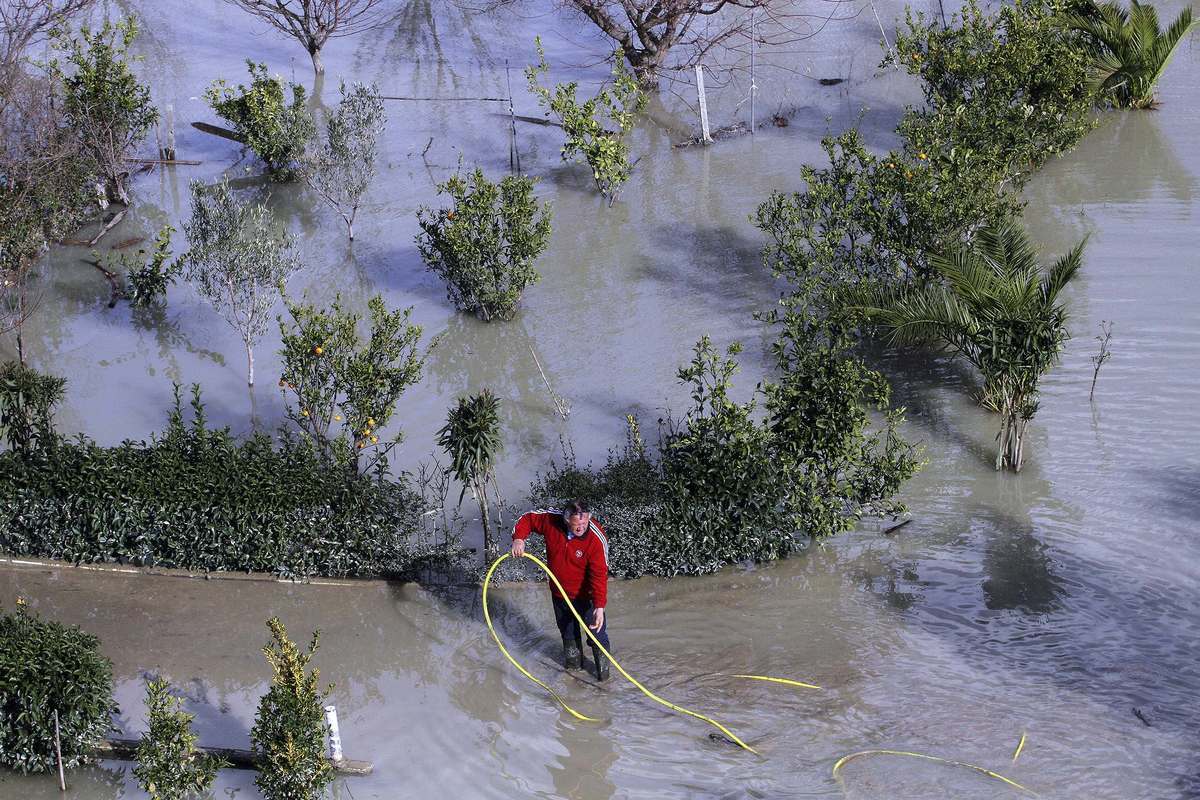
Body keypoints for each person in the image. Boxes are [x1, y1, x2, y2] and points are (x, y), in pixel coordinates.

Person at [510, 500, 611, 681]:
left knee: (597, 637)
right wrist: (519, 538)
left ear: (588, 518)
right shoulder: (552, 520)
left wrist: (599, 606)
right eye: (576, 525)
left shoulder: (596, 538)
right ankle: (573, 674)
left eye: (584, 523)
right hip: (560, 595)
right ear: (566, 520)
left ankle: (605, 679)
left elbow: (599, 575)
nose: (581, 528)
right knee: (568, 634)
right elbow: (528, 519)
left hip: (586, 598)